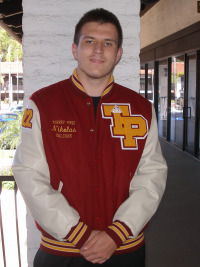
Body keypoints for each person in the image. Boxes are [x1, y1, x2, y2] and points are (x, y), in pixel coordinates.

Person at [12, 8, 167, 267]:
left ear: (118, 54)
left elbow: (152, 175)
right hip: (61, 250)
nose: (98, 50)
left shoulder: (140, 108)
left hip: (124, 249)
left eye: (108, 43)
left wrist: (116, 233)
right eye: (90, 41)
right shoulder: (43, 104)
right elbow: (29, 174)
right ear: (75, 49)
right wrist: (77, 233)